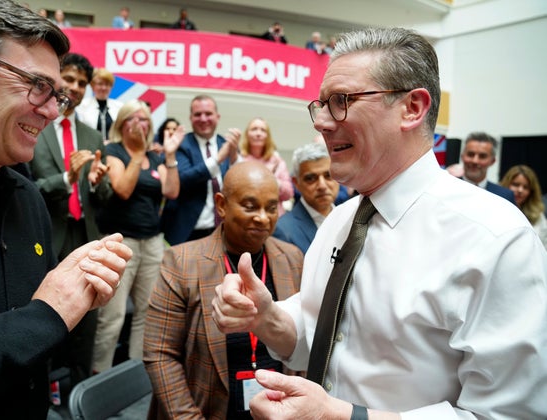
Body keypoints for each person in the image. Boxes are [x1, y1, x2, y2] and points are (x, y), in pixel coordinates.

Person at [212, 27, 547, 419]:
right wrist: (266, 318)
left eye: (340, 101)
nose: (321, 122)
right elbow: (319, 327)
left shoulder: (494, 238)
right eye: (320, 105)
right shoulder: (341, 220)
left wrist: (339, 416)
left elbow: (510, 414)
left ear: (412, 108)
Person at [0, 0, 131, 417]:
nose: (52, 112)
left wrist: (78, 296)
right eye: (37, 85)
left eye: (59, 97)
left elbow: (38, 340)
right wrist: (47, 316)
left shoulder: (26, 196)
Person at [144, 161, 304, 419]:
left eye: (271, 208)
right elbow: (160, 354)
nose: (263, 217)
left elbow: (303, 342)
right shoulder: (182, 262)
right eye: (250, 206)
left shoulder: (292, 258)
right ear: (221, 205)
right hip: (207, 409)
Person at [29, 52, 113, 391]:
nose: (75, 88)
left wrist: (95, 180)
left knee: (87, 321)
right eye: (70, 80)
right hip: (47, 233)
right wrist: (67, 178)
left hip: (86, 235)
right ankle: (42, 392)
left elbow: (103, 195)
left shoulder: (92, 137)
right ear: (56, 78)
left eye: (82, 83)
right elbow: (29, 187)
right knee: (45, 314)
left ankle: (79, 394)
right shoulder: (37, 123)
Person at [92, 99, 186, 371]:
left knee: (147, 312)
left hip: (152, 242)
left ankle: (134, 376)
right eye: (132, 118)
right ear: (122, 124)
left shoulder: (156, 156)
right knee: (113, 315)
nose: (139, 124)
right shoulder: (114, 151)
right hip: (121, 242)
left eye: (144, 119)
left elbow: (171, 191)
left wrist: (169, 156)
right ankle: (99, 376)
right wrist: (136, 154)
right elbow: (122, 188)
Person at [161, 94, 241, 245]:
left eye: (208, 114)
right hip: (188, 231)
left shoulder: (226, 143)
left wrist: (234, 157)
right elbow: (183, 179)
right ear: (190, 118)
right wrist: (217, 159)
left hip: (223, 229)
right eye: (198, 114)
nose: (203, 119)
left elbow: (239, 180)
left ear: (217, 117)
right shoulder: (180, 144)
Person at [273, 142, 340, 253]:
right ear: (296, 183)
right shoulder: (282, 230)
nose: (322, 185)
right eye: (311, 178)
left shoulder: (352, 218)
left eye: (328, 175)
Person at [238, 117, 293, 216]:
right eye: (254, 129)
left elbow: (289, 194)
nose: (258, 133)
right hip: (248, 215)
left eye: (263, 130)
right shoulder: (239, 160)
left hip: (275, 217)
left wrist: (273, 179)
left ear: (267, 136)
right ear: (247, 134)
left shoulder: (277, 161)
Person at [460, 131, 515, 204]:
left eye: (482, 156)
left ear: (492, 161)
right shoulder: (446, 188)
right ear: (462, 157)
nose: (475, 161)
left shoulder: (504, 196)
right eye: (470, 154)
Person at [500, 164, 547, 249]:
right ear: (506, 184)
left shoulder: (538, 216)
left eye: (526, 187)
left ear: (531, 191)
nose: (520, 190)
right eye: (515, 184)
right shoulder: (496, 208)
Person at [77, 67, 124, 142]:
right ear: (92, 85)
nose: (103, 88)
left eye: (107, 84)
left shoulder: (119, 106)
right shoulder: (82, 106)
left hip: (113, 148)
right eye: (100, 84)